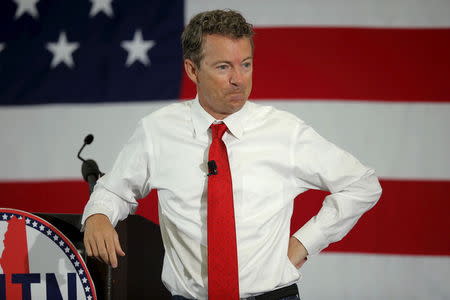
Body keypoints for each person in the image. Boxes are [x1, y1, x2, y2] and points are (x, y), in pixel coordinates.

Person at [81, 9, 382, 300]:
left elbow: (362, 184)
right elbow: (115, 191)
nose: (239, 79)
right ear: (192, 70)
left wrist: (304, 244)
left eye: (246, 64)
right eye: (224, 67)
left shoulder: (285, 132)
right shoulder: (157, 131)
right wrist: (98, 214)